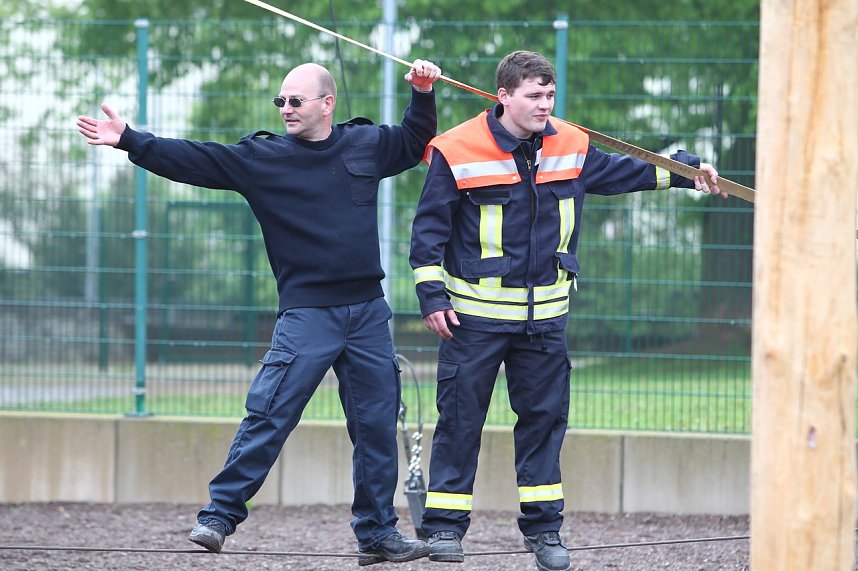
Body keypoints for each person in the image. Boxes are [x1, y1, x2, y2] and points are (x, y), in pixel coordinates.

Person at [78, 59, 442, 565]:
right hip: (307, 314)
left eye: (295, 100)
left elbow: (414, 139)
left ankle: (378, 534)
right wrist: (129, 140)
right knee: (270, 414)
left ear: (327, 104)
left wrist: (422, 91)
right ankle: (218, 516)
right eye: (281, 101)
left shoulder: (365, 143)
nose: (285, 108)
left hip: (367, 313)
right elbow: (195, 159)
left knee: (376, 426)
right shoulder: (261, 158)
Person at [408, 50, 725, 571]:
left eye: (550, 95)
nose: (545, 105)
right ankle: (444, 529)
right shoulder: (457, 148)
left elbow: (626, 173)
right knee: (460, 422)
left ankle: (545, 532)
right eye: (534, 96)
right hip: (474, 320)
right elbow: (427, 233)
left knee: (544, 424)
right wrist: (431, 297)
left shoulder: (571, 144)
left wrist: (687, 172)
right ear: (503, 96)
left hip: (545, 321)